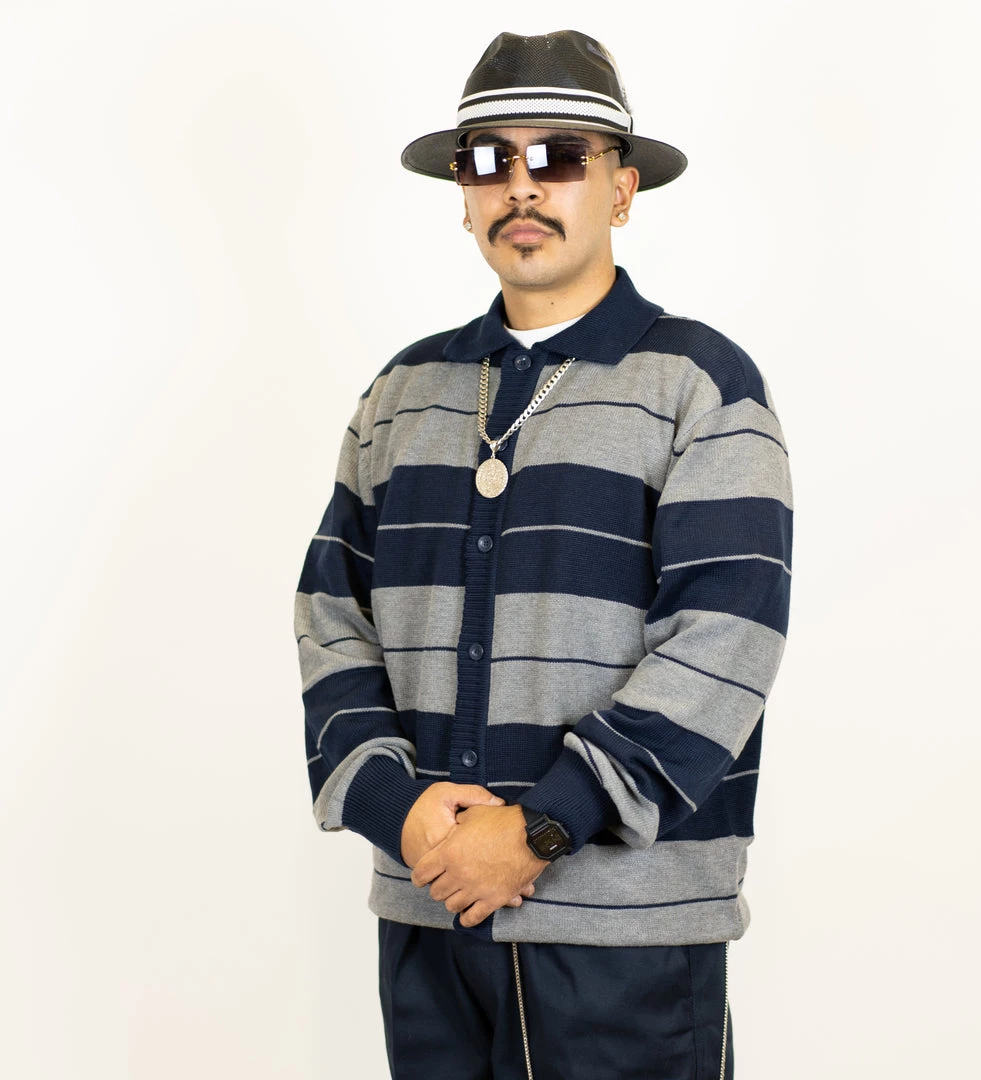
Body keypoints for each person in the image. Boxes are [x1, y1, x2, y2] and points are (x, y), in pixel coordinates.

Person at [295, 29, 793, 1080]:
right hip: (432, 913)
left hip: (628, 939)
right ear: (463, 194)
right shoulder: (401, 395)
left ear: (622, 189)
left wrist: (540, 829)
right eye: (490, 160)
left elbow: (725, 642)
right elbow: (331, 614)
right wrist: (397, 807)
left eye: (559, 155)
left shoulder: (700, 385)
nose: (521, 186)